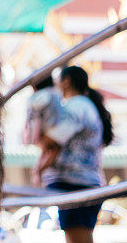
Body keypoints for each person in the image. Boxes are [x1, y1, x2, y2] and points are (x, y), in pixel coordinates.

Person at [35, 65, 114, 243]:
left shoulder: (76, 107)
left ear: (66, 81)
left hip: (77, 186)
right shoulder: (83, 106)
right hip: (80, 184)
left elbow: (50, 141)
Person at [23, 75, 62, 186]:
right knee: (52, 151)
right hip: (52, 130)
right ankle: (38, 173)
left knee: (50, 150)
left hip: (45, 130)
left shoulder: (43, 95)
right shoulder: (55, 94)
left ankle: (38, 173)